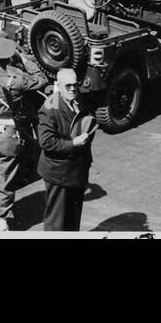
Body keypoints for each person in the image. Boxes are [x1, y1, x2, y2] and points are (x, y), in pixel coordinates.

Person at [0, 34, 46, 232]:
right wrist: (25, 59)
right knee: (7, 177)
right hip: (10, 136)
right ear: (9, 57)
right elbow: (42, 79)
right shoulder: (18, 81)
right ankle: (1, 217)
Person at [36, 69, 96, 232]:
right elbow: (47, 142)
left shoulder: (79, 99)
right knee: (57, 222)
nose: (73, 89)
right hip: (59, 174)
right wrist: (73, 143)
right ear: (58, 86)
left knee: (73, 219)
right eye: (68, 85)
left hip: (78, 171)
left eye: (75, 84)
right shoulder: (50, 107)